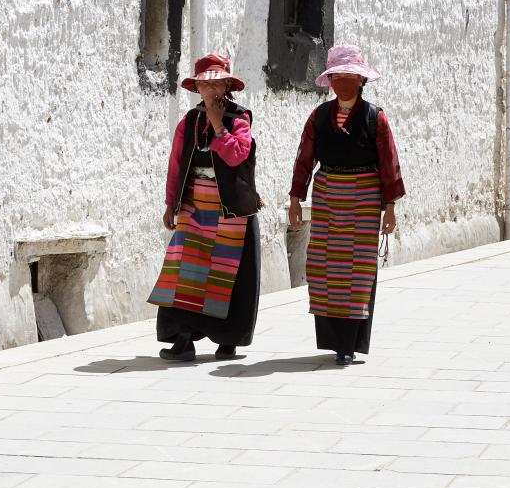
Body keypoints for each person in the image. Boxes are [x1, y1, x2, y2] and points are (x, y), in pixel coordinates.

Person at [288, 44, 406, 366]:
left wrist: (390, 207)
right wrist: (296, 198)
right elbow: (305, 158)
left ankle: (350, 344)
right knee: (325, 265)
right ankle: (331, 338)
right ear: (330, 81)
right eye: (336, 76)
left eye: (349, 76)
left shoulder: (374, 117)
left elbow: (388, 163)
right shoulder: (319, 117)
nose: (342, 82)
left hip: (365, 199)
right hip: (327, 196)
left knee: (358, 269)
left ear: (360, 81)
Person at [148, 54, 262, 361]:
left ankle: (228, 341)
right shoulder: (189, 121)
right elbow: (176, 164)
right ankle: (183, 339)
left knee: (230, 275)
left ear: (226, 85)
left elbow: (237, 155)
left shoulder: (240, 118)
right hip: (195, 206)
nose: (210, 90)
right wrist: (171, 204)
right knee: (185, 272)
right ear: (197, 87)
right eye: (204, 84)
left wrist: (217, 124)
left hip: (231, 211)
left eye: (216, 84)